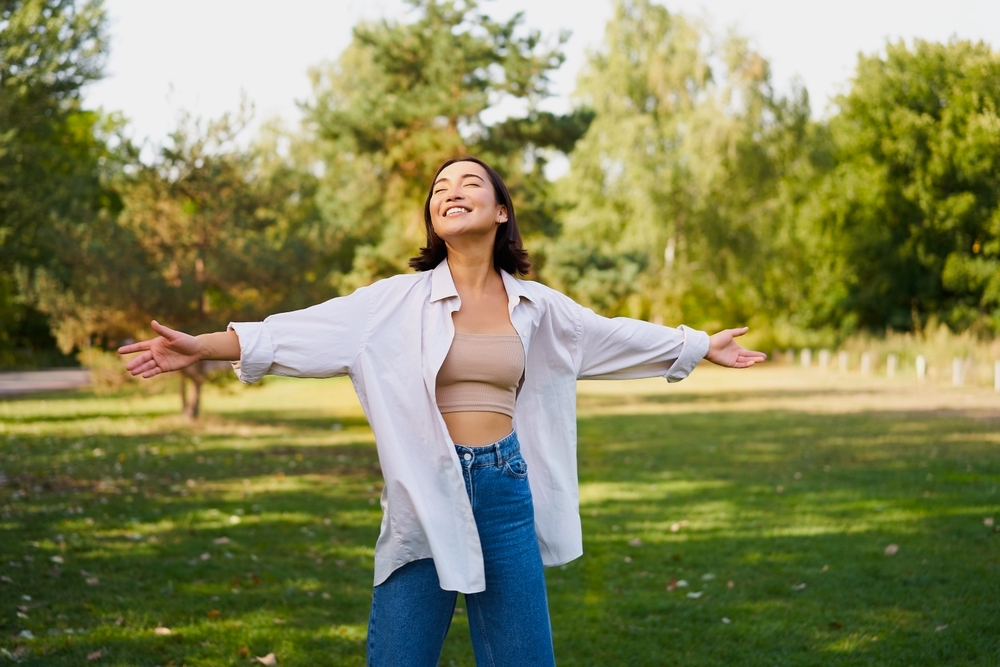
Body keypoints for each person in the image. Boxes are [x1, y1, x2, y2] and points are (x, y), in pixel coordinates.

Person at [119, 155, 766, 666]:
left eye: (468, 182)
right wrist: (198, 347)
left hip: (507, 491)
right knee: (401, 654)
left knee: (522, 659)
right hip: (425, 489)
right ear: (433, 217)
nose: (450, 190)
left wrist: (699, 344)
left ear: (501, 209)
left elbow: (612, 335)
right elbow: (294, 332)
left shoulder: (537, 305)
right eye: (438, 188)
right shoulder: (391, 303)